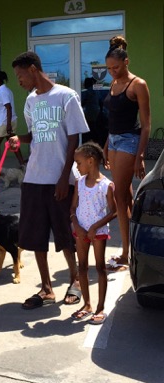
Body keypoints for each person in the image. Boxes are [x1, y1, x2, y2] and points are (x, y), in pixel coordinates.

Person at [9, 51, 89, 309]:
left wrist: (65, 177)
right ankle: (46, 289)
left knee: (65, 234)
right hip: (34, 176)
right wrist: (19, 139)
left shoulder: (67, 96)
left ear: (33, 69)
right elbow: (35, 134)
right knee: (35, 234)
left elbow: (74, 139)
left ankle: (75, 280)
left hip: (60, 177)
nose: (19, 81)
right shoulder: (31, 100)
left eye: (20, 75)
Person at [103, 36, 151, 272]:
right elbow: (113, 119)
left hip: (129, 143)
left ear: (126, 62)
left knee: (120, 197)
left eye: (116, 67)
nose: (112, 72)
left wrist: (140, 156)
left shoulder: (138, 84)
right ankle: (132, 247)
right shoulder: (113, 85)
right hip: (112, 141)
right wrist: (105, 145)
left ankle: (125, 253)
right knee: (126, 198)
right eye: (109, 68)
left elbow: (146, 124)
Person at [70, 142, 117, 325]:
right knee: (81, 267)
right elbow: (73, 207)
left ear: (90, 161)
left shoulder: (106, 185)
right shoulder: (79, 183)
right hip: (80, 232)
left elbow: (113, 211)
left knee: (99, 268)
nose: (77, 167)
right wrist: (77, 226)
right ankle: (87, 305)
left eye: (79, 163)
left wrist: (95, 227)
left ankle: (100, 308)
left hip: (98, 234)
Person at [81, 77, 100, 144]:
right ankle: (96, 139)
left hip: (90, 112)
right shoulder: (96, 91)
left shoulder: (88, 91)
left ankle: (92, 140)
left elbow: (83, 102)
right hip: (96, 111)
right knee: (93, 126)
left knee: (90, 127)